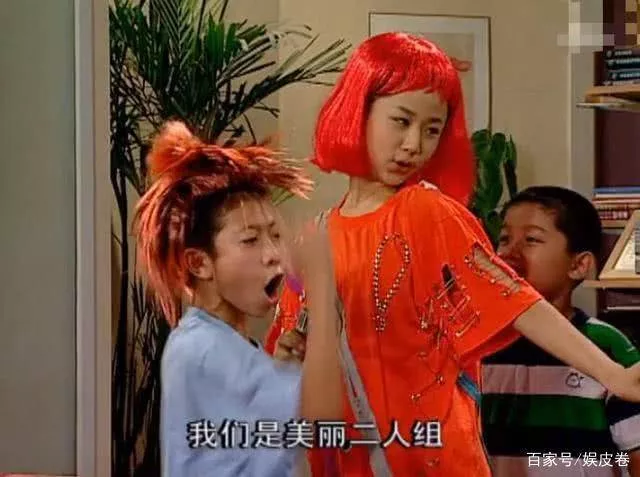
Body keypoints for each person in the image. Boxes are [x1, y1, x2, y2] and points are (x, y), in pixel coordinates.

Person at [264, 32, 640, 477]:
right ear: (357, 111)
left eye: (432, 129)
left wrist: (613, 375)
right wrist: (289, 354)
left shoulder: (427, 212)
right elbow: (289, 367)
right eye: (401, 121)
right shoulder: (318, 234)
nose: (413, 145)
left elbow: (515, 300)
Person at [134, 121, 342, 477]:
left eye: (275, 236)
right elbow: (319, 414)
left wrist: (282, 368)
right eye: (250, 240)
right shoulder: (200, 348)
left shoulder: (228, 343)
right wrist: (323, 295)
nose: (273, 254)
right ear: (200, 263)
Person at [481, 186, 640, 477]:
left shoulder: (607, 346)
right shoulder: (479, 345)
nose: (507, 254)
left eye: (531, 239)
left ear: (579, 265)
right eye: (504, 239)